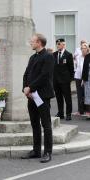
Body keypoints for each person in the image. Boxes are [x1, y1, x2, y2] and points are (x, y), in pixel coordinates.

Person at [22, 33, 55, 163]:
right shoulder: (32, 57)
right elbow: (26, 74)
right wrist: (25, 88)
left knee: (46, 124)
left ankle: (47, 152)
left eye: (33, 41)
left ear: (39, 42)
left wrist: (31, 87)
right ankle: (36, 150)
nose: (31, 42)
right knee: (34, 123)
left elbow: (44, 76)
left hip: (42, 95)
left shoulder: (48, 56)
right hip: (31, 96)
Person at [53, 38, 74, 121]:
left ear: (63, 44)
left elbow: (71, 68)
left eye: (59, 44)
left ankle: (68, 114)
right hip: (56, 80)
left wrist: (70, 79)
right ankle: (60, 113)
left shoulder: (68, 54)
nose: (57, 46)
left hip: (65, 80)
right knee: (59, 98)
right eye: (57, 44)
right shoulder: (54, 54)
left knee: (67, 98)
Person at [74, 43, 89, 115]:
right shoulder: (78, 57)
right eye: (82, 48)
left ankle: (87, 110)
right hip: (78, 77)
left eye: (84, 48)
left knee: (86, 94)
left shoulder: (88, 57)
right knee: (79, 94)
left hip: (85, 78)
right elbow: (77, 66)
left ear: (87, 49)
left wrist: (84, 78)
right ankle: (80, 110)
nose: (83, 50)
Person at [82, 46, 90, 115]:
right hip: (88, 79)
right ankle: (89, 113)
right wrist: (83, 79)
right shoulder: (87, 56)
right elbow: (84, 68)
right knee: (87, 95)